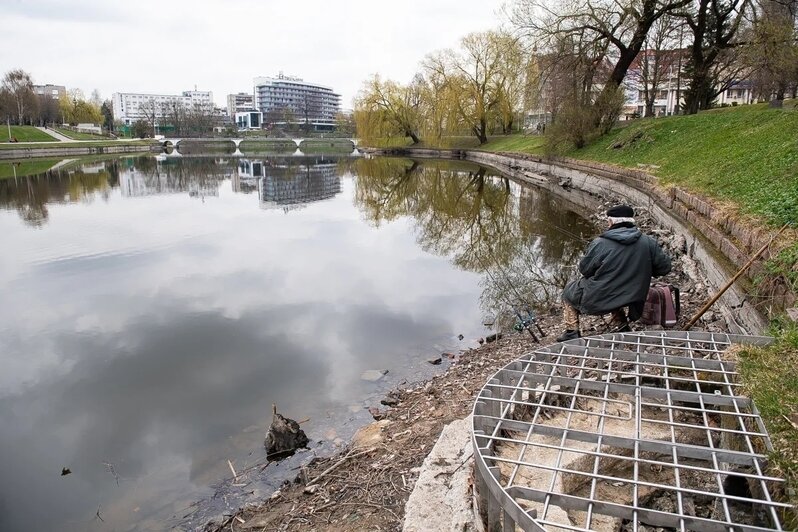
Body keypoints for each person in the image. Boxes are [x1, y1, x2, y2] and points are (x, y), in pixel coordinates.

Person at [557, 205, 672, 341]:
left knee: (568, 292)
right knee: (616, 287)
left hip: (605, 296)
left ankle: (571, 332)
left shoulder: (600, 243)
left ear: (611, 222)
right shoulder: (649, 242)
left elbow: (585, 270)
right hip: (633, 296)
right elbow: (664, 268)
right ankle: (621, 325)